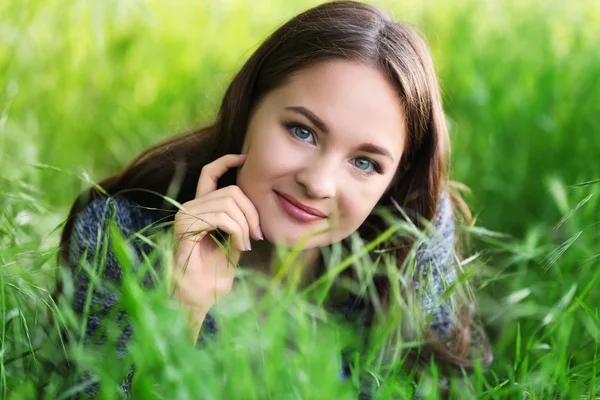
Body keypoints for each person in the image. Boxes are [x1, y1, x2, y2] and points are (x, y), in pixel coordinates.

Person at [54, 0, 492, 398]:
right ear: (249, 108)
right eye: (302, 131)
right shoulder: (123, 234)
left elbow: (437, 386)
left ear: (395, 178)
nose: (319, 183)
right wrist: (182, 308)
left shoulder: (411, 232)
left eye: (365, 163)